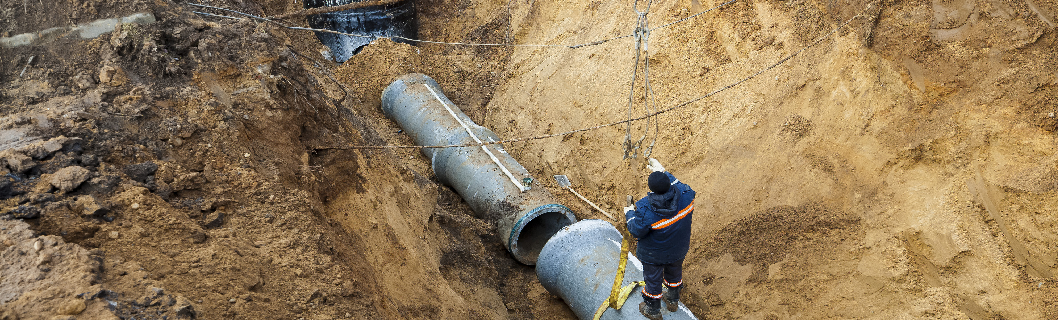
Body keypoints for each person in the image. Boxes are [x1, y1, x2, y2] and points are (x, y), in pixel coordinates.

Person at [624, 158, 695, 320]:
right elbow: (679, 184)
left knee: (653, 280)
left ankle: (653, 310)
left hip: (654, 256)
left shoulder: (646, 210)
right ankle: (672, 300)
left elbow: (636, 231)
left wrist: (629, 213)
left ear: (652, 190)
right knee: (674, 272)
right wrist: (664, 172)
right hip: (678, 249)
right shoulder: (686, 194)